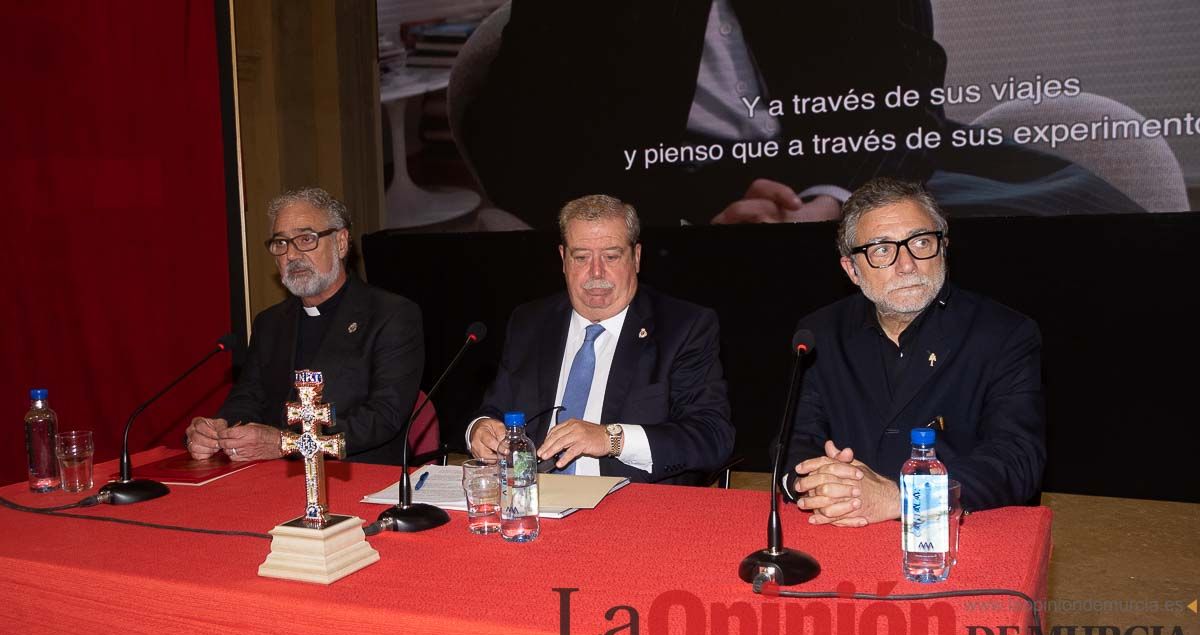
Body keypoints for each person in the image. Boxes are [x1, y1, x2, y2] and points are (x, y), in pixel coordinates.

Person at [460, 1, 1140, 230]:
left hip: (870, 169)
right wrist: (690, 213)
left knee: (1083, 216)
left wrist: (837, 197)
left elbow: (907, 87)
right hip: (687, 208)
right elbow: (522, 144)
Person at [782, 177, 1045, 523]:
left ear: (944, 247)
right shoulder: (819, 332)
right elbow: (795, 441)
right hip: (842, 524)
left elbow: (1017, 459)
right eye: (881, 250)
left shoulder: (1003, 333)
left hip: (956, 533)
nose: (906, 265)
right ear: (852, 270)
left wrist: (903, 498)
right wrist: (818, 484)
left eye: (921, 242)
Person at [467, 194, 734, 484]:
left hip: (633, 510)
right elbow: (495, 409)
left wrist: (611, 438)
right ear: (563, 259)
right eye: (581, 257)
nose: (596, 272)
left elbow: (712, 437)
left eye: (611, 256)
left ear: (636, 257)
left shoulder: (684, 327)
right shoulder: (530, 323)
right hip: (531, 499)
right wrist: (480, 429)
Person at [185, 187, 424, 464]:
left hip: (356, 477)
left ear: (341, 242)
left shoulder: (391, 315)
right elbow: (247, 399)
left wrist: (288, 444)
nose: (291, 255)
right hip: (269, 479)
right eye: (281, 243)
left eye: (305, 239)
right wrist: (218, 428)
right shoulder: (270, 323)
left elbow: (383, 417)